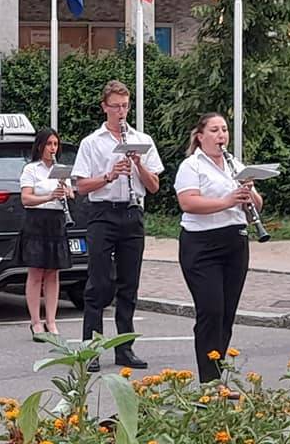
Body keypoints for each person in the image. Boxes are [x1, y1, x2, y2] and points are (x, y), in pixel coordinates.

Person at [72, 80, 164, 372]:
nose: (121, 112)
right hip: (102, 214)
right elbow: (82, 186)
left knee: (129, 284)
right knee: (98, 283)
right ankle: (92, 349)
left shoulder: (142, 139)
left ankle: (125, 348)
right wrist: (110, 176)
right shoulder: (92, 142)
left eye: (125, 106)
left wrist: (138, 164)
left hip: (132, 213)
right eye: (115, 107)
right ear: (105, 107)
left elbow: (154, 186)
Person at [174, 113, 261, 382]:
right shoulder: (192, 166)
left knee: (226, 313)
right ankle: (208, 382)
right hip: (201, 244)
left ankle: (218, 376)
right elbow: (188, 202)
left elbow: (256, 205)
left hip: (234, 241)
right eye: (214, 130)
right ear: (200, 136)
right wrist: (228, 200)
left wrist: (250, 193)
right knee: (210, 310)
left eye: (224, 129)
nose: (221, 135)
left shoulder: (235, 164)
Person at [19, 127, 73, 337]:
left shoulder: (61, 170)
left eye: (55, 144)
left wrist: (67, 192)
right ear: (40, 146)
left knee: (53, 273)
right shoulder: (31, 170)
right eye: (49, 144)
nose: (52, 148)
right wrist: (50, 197)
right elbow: (26, 199)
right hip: (37, 221)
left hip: (56, 221)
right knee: (36, 273)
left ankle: (51, 320)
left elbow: (71, 194)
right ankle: (35, 322)